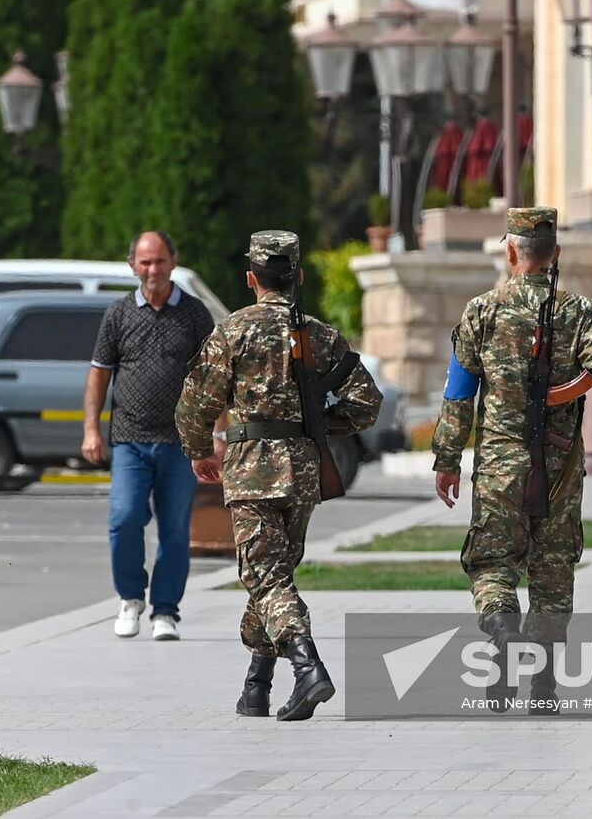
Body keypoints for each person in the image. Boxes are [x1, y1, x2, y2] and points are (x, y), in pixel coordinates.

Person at [175, 230, 382, 722]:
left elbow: (194, 405)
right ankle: (257, 686)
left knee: (264, 576)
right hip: (303, 472)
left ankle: (308, 667)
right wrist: (319, 426)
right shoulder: (321, 336)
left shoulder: (233, 330)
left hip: (251, 471)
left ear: (252, 278)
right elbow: (366, 403)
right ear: (300, 276)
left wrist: (199, 450)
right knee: (275, 575)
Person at [431, 207, 592, 714]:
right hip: (559, 464)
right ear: (555, 254)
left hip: (499, 460)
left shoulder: (481, 311)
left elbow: (459, 394)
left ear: (511, 251)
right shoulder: (577, 310)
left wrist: (447, 459)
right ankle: (542, 685)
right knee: (553, 569)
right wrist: (567, 393)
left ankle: (501, 633)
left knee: (493, 564)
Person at [83, 230, 216, 641]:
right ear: (132, 266)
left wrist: (217, 434)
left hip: (180, 444)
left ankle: (165, 612)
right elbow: (99, 374)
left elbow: (213, 379)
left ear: (173, 261)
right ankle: (130, 598)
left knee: (175, 530)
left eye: (159, 261)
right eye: (145, 262)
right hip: (130, 439)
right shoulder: (118, 315)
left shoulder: (195, 315)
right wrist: (91, 429)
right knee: (124, 519)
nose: (152, 270)